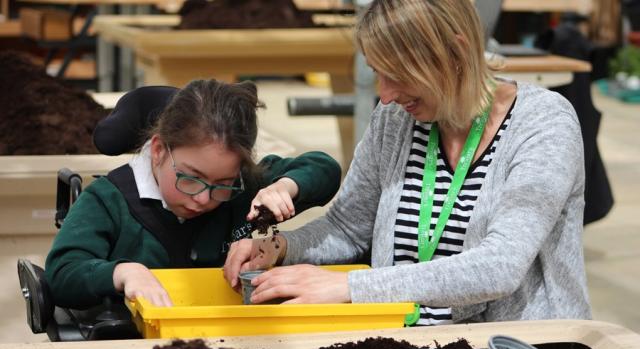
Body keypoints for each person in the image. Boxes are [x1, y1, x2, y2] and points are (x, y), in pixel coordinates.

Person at [223, 0, 591, 325]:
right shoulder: (397, 120)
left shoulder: (543, 123)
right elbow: (349, 227)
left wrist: (350, 286)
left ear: (455, 53)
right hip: (401, 335)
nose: (384, 96)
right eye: (377, 73)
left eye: (397, 75)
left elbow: (500, 266)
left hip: (517, 344)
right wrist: (282, 247)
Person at [45, 79, 341, 309]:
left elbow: (324, 168)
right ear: (159, 150)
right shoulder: (109, 200)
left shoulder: (242, 190)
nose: (204, 198)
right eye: (191, 178)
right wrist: (122, 273)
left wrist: (283, 187)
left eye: (222, 183)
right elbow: (62, 273)